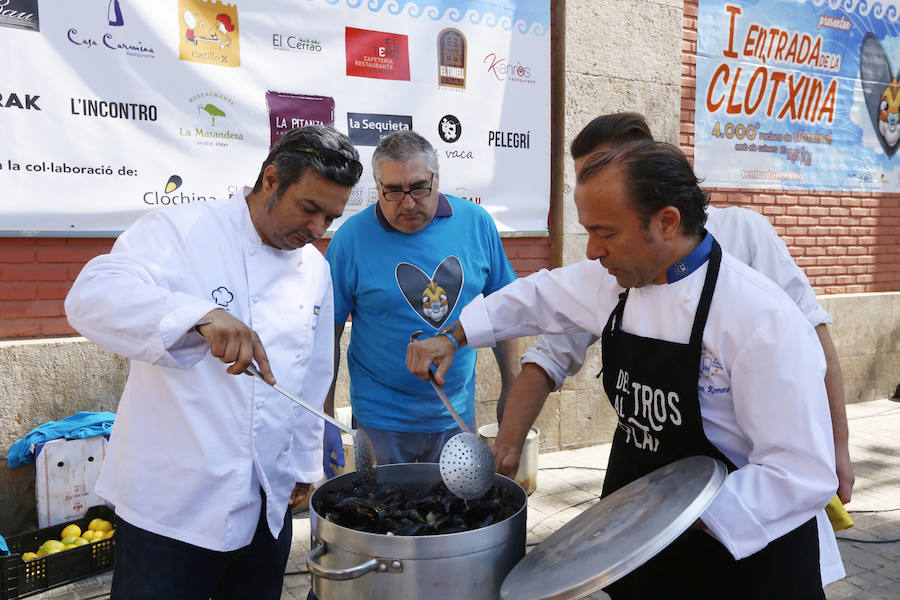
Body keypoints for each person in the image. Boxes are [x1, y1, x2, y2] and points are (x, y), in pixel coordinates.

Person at [408, 141, 839, 598]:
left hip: (744, 560)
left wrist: (665, 519)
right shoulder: (613, 282)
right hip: (647, 550)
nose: (592, 250)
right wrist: (451, 336)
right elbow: (534, 298)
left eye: (605, 233)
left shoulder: (760, 319)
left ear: (667, 222)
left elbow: (800, 473)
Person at [64, 125, 362, 600]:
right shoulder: (183, 230)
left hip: (267, 500)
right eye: (309, 209)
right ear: (270, 180)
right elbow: (91, 296)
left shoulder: (315, 270)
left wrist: (303, 464)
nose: (316, 230)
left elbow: (310, 375)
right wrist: (197, 315)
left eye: (330, 217)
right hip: (172, 504)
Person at [324, 129, 519, 468]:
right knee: (381, 517)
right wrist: (323, 416)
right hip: (379, 424)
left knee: (456, 518)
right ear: (376, 184)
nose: (408, 203)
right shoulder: (350, 240)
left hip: (455, 416)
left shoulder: (476, 225)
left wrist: (512, 390)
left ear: (437, 179)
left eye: (418, 188)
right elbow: (327, 333)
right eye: (394, 192)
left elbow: (505, 309)